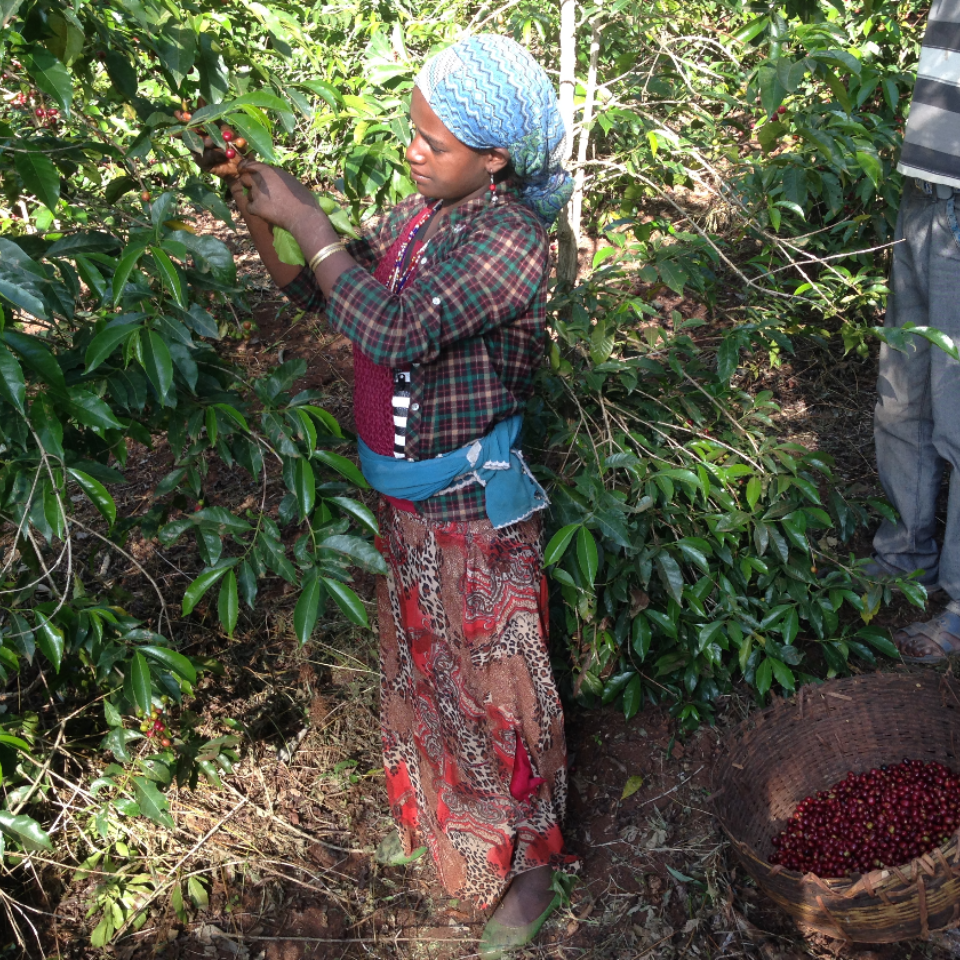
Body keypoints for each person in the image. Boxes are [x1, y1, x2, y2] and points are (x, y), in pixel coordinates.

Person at [198, 34, 578, 956]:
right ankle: (447, 831)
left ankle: (533, 867)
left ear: (494, 158)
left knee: (499, 685)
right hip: (406, 510)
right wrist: (263, 212)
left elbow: (396, 330)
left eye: (435, 142)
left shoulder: (510, 242)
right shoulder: (419, 218)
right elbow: (324, 295)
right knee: (423, 673)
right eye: (412, 132)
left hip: (471, 514)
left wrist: (313, 217)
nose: (415, 151)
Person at [871, 0, 960, 662]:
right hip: (924, 190)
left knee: (959, 416)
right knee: (903, 400)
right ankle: (905, 556)